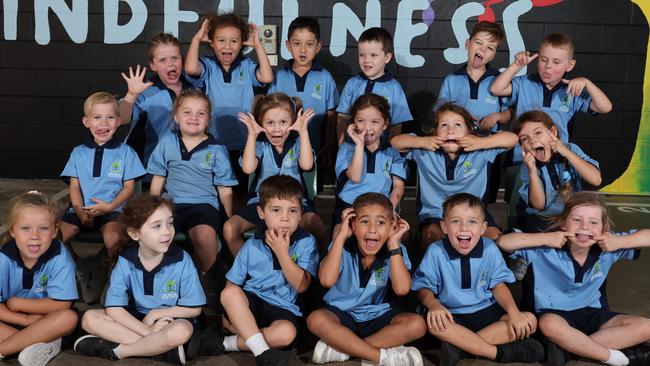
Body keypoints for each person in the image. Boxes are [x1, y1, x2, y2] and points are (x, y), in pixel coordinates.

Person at [497, 192, 650, 366]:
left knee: (646, 327)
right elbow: (503, 242)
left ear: (604, 228)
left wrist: (620, 242)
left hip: (592, 314)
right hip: (553, 315)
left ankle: (567, 349)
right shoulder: (542, 247)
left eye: (593, 222)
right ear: (563, 223)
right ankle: (614, 357)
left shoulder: (608, 248)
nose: (584, 227)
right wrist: (544, 238)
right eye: (576, 220)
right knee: (549, 324)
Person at [489, 32, 612, 229]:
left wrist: (587, 83)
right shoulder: (525, 83)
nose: (548, 66)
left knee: (558, 205)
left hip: (557, 159)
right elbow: (496, 89)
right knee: (519, 207)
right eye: (544, 60)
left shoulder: (571, 91)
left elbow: (606, 107)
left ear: (569, 65)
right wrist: (517, 66)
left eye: (556, 62)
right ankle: (518, 250)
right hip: (522, 159)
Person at [197, 175, 318, 366]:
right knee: (229, 294)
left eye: (293, 211)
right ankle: (263, 353)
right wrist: (228, 316)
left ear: (301, 213)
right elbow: (231, 287)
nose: (285, 218)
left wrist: (281, 252)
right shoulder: (252, 245)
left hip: (284, 308)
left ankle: (225, 343)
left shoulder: (306, 242)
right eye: (276, 210)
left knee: (287, 334)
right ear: (261, 213)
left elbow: (302, 286)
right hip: (253, 303)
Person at [412, 193, 544, 366]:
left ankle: (461, 347)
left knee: (529, 321)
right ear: (444, 227)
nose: (464, 228)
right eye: (455, 221)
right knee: (434, 325)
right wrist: (434, 305)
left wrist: (514, 312)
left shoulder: (489, 249)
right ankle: (499, 353)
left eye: (472, 221)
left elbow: (498, 286)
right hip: (452, 314)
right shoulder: (435, 251)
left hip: (486, 312)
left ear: (483, 228)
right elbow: (423, 288)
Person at [74, 195, 206, 365]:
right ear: (135, 234)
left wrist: (155, 314)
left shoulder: (181, 259)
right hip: (138, 321)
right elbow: (114, 308)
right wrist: (148, 330)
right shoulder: (125, 260)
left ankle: (120, 351)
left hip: (171, 319)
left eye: (170, 223)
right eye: (157, 226)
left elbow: (194, 309)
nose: (167, 231)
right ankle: (161, 350)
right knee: (89, 319)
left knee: (180, 331)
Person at [307, 193, 426, 365]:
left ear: (392, 226)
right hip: (342, 313)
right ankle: (382, 357)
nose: (372, 229)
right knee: (316, 319)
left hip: (379, 313)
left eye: (381, 222)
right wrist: (340, 236)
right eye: (364, 221)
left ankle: (343, 348)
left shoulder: (395, 250)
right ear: (352, 225)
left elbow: (402, 289)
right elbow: (326, 280)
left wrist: (393, 245)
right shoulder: (341, 246)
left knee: (417, 324)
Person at [391, 103, 517, 252]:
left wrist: (481, 142)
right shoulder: (425, 151)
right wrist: (421, 141)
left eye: (458, 125)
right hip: (436, 213)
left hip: (473, 213)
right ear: (435, 132)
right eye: (444, 125)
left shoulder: (481, 151)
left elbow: (513, 139)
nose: (450, 130)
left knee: (495, 241)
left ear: (469, 131)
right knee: (431, 240)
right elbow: (395, 142)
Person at [60, 91, 146, 303]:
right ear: (86, 121)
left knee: (114, 239)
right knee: (54, 237)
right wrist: (80, 211)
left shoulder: (126, 152)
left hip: (114, 210)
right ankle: (81, 270)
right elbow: (74, 187)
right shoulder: (78, 152)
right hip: (82, 209)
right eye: (97, 117)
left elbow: (128, 189)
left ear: (118, 121)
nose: (103, 123)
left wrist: (109, 207)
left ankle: (113, 281)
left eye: (109, 117)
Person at [185, 13, 274, 209]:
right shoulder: (208, 66)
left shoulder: (247, 65)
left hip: (242, 144)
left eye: (234, 41)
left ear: (242, 44)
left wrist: (257, 45)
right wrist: (196, 39)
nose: (227, 46)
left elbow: (266, 77)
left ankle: (236, 229)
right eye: (221, 40)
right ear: (212, 42)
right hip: (214, 143)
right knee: (217, 190)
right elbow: (191, 68)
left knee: (240, 191)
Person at [223, 93, 327, 254]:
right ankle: (251, 269)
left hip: (295, 205)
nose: (277, 129)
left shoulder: (298, 143)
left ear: (292, 122)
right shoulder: (259, 144)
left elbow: (307, 165)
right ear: (261, 122)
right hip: (262, 205)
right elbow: (248, 168)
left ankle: (315, 270)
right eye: (270, 123)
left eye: (283, 122)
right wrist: (252, 134)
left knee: (318, 225)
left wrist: (303, 132)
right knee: (230, 228)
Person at [147, 89, 236, 273]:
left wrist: (226, 218)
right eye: (187, 112)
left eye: (201, 113)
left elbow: (225, 189)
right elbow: (159, 177)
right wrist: (152, 207)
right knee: (155, 234)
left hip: (203, 205)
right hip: (171, 204)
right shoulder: (167, 142)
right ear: (176, 117)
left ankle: (209, 281)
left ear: (208, 119)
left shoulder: (217, 149)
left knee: (204, 236)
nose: (194, 117)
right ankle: (161, 278)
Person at [435, 21, 512, 204]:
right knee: (459, 196)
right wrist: (462, 117)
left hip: (488, 147)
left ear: (494, 54)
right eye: (479, 43)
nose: (483, 50)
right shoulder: (452, 80)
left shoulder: (498, 80)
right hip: (458, 146)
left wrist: (497, 116)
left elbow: (509, 113)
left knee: (486, 199)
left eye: (490, 48)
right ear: (467, 44)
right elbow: (439, 113)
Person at [0, 191, 78, 365]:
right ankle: (37, 345)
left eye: (43, 228)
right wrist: (25, 320)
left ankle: (4, 349)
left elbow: (62, 304)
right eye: (26, 228)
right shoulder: (3, 257)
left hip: (47, 321)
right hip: (10, 320)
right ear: (13, 231)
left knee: (68, 318)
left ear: (54, 231)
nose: (34, 236)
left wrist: (18, 303)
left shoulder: (60, 257)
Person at [268, 16, 339, 176]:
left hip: (314, 149)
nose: (303, 50)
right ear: (288, 45)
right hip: (281, 150)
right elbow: (267, 113)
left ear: (318, 46)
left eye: (309, 44)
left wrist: (327, 146)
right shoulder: (279, 76)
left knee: (308, 194)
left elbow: (331, 115)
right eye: (297, 43)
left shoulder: (325, 77)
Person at [332, 94, 406, 239]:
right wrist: (359, 145)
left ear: (385, 125)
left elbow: (398, 187)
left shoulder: (392, 152)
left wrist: (388, 210)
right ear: (352, 123)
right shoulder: (346, 149)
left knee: (401, 235)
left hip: (381, 209)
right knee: (338, 235)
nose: (367, 128)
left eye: (375, 122)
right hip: (350, 208)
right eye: (361, 121)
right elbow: (355, 176)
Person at [118, 33, 194, 174]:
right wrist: (131, 95)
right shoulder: (145, 92)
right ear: (153, 65)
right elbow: (121, 119)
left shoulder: (194, 88)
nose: (170, 64)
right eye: (163, 60)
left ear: (182, 60)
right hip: (148, 172)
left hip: (183, 173)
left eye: (174, 58)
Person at [515, 110, 601, 233]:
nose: (532, 141)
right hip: (541, 219)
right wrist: (532, 171)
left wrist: (565, 152)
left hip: (571, 217)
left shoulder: (571, 149)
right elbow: (538, 205)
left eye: (538, 133)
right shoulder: (528, 165)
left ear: (553, 132)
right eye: (524, 139)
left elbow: (596, 179)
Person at [336, 27, 412, 144]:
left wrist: (390, 151)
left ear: (387, 58)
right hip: (352, 149)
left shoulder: (394, 88)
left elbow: (397, 124)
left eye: (373, 55)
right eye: (362, 55)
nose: (366, 60)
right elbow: (342, 117)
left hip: (381, 152)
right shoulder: (352, 83)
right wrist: (340, 146)